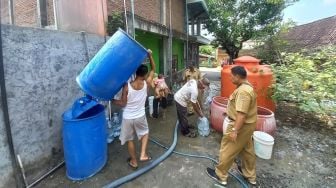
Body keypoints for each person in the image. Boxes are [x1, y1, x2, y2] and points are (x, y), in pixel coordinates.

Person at [206, 66, 257, 186]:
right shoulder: (247, 87)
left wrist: (234, 130)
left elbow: (242, 114)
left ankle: (221, 175)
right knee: (247, 150)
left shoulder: (243, 91)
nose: (230, 78)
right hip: (248, 126)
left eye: (232, 76)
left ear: (238, 77)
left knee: (228, 150)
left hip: (240, 126)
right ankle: (250, 175)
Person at [113, 49, 155, 169]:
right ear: (145, 74)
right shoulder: (147, 83)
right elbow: (153, 69)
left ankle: (134, 161)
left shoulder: (127, 86)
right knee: (145, 134)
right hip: (140, 116)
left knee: (130, 139)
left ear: (135, 73)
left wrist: (112, 100)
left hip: (127, 117)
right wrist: (150, 56)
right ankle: (143, 154)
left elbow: (122, 103)